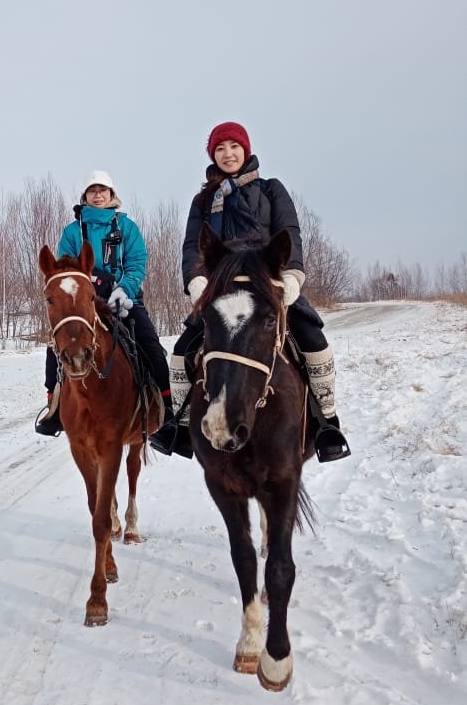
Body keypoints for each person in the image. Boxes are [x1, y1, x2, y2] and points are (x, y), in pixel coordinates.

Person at [149, 121, 350, 462]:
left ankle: (326, 421)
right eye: (220, 149)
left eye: (234, 147)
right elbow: (191, 246)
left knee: (313, 340)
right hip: (223, 289)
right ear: (213, 155)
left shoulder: (272, 190)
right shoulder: (203, 200)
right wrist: (196, 279)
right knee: (183, 352)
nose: (228, 154)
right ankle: (181, 424)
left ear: (246, 150)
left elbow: (290, 232)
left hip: (268, 282)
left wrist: (292, 276)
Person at [35, 170, 175, 436]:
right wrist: (92, 284)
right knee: (56, 347)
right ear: (85, 197)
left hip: (125, 300)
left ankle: (167, 410)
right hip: (84, 305)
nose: (98, 195)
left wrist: (124, 289)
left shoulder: (127, 228)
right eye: (92, 191)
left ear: (112, 195)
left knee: (152, 348)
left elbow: (136, 263)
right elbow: (65, 269)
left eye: (103, 191)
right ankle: (54, 410)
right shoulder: (73, 231)